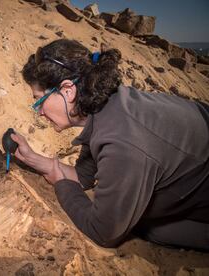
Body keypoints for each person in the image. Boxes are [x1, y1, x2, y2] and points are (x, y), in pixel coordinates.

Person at [11, 39, 209, 250]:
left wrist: (62, 185)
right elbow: (84, 176)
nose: (39, 112)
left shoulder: (122, 142)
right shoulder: (108, 106)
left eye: (39, 101)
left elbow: (104, 232)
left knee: (145, 226)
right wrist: (34, 159)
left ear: (68, 90)